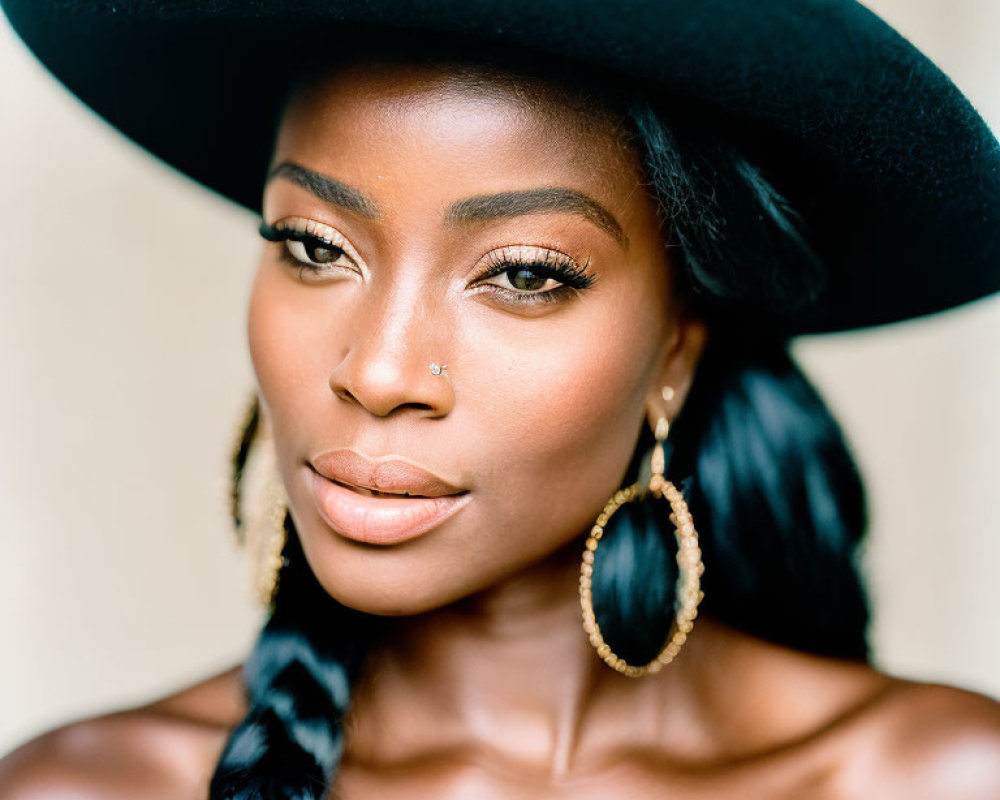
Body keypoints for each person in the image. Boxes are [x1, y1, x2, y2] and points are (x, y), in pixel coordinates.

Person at [1, 2, 1000, 798]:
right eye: (313, 246)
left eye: (523, 274)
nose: (378, 370)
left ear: (675, 351)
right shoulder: (88, 786)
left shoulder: (934, 776)